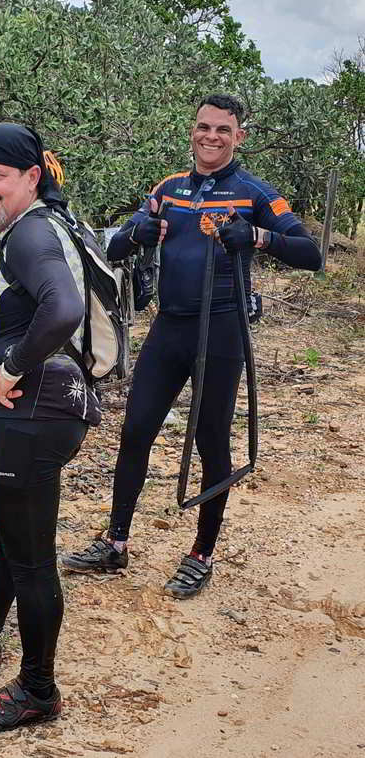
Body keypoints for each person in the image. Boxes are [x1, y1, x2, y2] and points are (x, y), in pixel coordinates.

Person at [62, 94, 322, 597]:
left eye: (223, 129)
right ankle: (115, 542)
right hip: (169, 328)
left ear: (239, 136)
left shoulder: (254, 193)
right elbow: (112, 247)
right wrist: (136, 233)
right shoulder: (169, 188)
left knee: (212, 441)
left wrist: (260, 237)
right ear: (193, 130)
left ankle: (201, 554)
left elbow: (310, 254)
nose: (211, 137)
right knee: (136, 430)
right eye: (204, 127)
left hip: (221, 331)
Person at [0, 122, 100, 732]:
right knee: (1, 525)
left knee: (32, 557)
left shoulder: (31, 234)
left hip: (31, 414)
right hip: (33, 413)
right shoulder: (40, 227)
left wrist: (10, 366)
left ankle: (38, 690)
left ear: (32, 177)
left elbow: (64, 308)